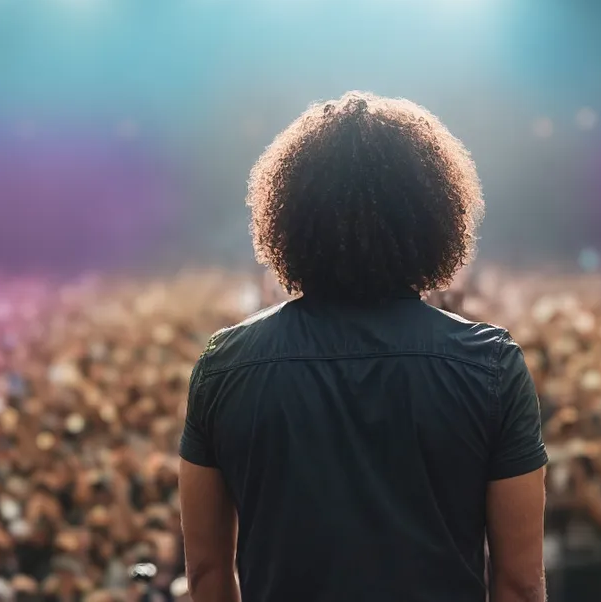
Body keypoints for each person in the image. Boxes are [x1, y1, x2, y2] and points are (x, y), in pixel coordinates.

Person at [178, 92, 549, 602]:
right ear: (434, 216)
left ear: (287, 218)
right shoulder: (490, 365)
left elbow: (206, 573)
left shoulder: (224, 366)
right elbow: (520, 583)